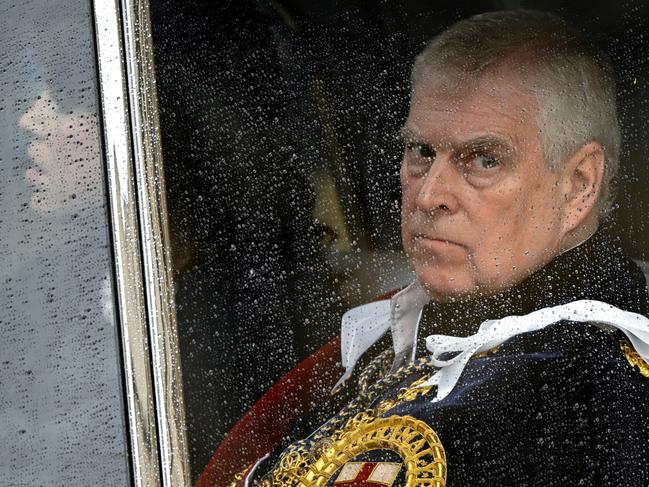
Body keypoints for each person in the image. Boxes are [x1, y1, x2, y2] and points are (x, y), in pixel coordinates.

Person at [208, 10, 649, 486]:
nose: (427, 195)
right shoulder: (418, 332)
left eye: (483, 159)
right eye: (421, 152)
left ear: (578, 185)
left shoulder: (574, 398)